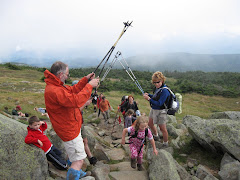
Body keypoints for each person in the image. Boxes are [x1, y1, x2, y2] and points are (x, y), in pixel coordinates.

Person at [44, 61, 99, 179]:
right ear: (60, 75)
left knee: (74, 154)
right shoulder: (55, 90)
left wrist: (85, 80)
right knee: (79, 159)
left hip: (70, 126)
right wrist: (90, 86)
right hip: (68, 129)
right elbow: (76, 101)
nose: (68, 76)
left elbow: (73, 90)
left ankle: (76, 171)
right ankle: (74, 174)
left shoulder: (57, 85)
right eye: (67, 74)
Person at [143, 71, 170, 147]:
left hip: (161, 111)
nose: (156, 84)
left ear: (162, 80)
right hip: (154, 109)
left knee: (162, 128)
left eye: (158, 82)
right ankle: (156, 136)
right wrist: (149, 95)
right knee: (150, 124)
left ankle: (165, 143)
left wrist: (148, 99)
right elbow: (155, 97)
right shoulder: (157, 88)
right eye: (154, 82)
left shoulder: (165, 91)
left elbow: (159, 103)